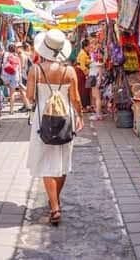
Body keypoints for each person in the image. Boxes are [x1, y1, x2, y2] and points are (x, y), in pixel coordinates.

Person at [26, 29, 83, 226]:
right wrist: (80, 116)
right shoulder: (69, 71)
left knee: (46, 164)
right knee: (62, 161)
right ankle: (55, 201)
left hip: (44, 121)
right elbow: (76, 99)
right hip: (66, 118)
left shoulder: (35, 70)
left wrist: (44, 95)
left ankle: (54, 206)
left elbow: (30, 97)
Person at [2, 43, 30, 114]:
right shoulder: (17, 57)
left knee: (12, 93)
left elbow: (3, 66)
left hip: (8, 76)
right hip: (15, 76)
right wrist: (20, 78)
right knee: (13, 93)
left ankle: (11, 110)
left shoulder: (6, 56)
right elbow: (20, 69)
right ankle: (13, 110)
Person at [89, 44, 104, 121]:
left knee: (97, 97)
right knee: (95, 96)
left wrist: (99, 80)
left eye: (93, 47)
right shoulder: (93, 57)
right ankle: (97, 113)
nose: (91, 48)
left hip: (95, 77)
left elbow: (100, 70)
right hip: (93, 77)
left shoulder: (98, 57)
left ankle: (98, 114)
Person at [75, 39, 92, 109]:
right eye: (89, 46)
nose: (90, 48)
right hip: (81, 72)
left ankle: (85, 105)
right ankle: (82, 106)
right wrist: (87, 74)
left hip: (82, 72)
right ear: (85, 47)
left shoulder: (85, 53)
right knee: (82, 90)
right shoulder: (82, 54)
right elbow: (82, 66)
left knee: (85, 89)